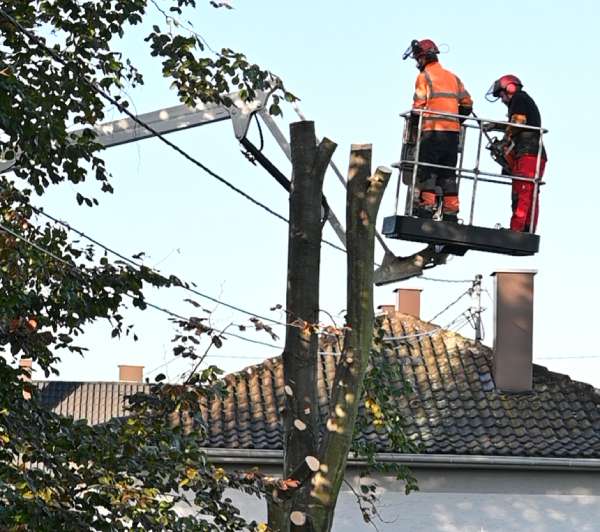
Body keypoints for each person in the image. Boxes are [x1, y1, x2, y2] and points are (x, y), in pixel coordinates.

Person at [403, 39, 473, 222]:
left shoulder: (424, 77)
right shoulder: (452, 77)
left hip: (432, 131)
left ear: (424, 58)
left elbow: (418, 107)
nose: (417, 63)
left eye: (418, 59)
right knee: (448, 172)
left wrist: (414, 123)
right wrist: (456, 120)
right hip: (452, 135)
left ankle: (426, 206)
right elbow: (467, 104)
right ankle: (451, 211)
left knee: (428, 170)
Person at [485, 75, 547, 232]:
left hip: (528, 153)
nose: (502, 99)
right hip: (531, 153)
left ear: (510, 88)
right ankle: (526, 228)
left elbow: (518, 121)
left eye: (501, 95)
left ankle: (517, 230)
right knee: (529, 192)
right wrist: (495, 125)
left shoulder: (518, 99)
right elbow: (517, 122)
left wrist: (505, 140)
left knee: (523, 191)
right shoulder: (523, 100)